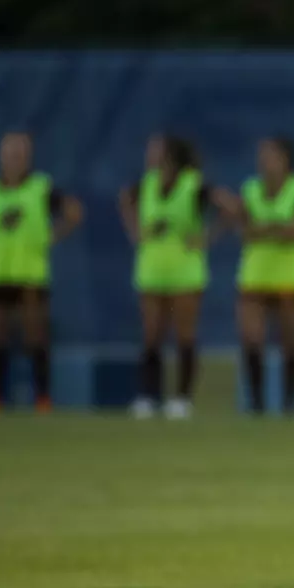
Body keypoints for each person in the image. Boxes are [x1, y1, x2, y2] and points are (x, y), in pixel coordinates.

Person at [119, 135, 218, 420]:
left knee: (184, 335)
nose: (149, 153)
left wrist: (207, 237)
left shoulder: (192, 184)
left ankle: (182, 398)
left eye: (155, 148)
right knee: (151, 335)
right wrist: (135, 231)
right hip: (151, 269)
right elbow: (124, 200)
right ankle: (148, 397)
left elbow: (229, 207)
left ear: (170, 154)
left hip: (185, 271)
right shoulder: (146, 185)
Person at [0, 132, 83, 410]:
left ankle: (42, 398)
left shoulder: (40, 188)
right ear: (0, 156)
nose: (14, 158)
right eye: (10, 153)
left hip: (31, 275)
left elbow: (74, 212)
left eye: (20, 153)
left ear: (27, 157)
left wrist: (52, 236)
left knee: (35, 337)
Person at [227, 137, 294, 414]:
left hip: (291, 276)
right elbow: (243, 232)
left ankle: (289, 406)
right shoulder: (249, 189)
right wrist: (277, 228)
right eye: (262, 155)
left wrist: (263, 229)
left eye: (271, 155)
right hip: (254, 275)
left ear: (286, 159)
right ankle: (257, 405)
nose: (264, 160)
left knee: (290, 343)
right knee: (251, 340)